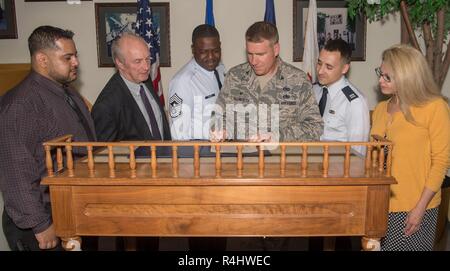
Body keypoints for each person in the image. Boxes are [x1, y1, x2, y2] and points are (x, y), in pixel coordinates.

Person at [0, 25, 96, 251]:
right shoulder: (21, 104)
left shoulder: (67, 91)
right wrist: (41, 224)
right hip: (42, 221)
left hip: (70, 209)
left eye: (75, 56)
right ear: (42, 59)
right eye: (68, 57)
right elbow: (16, 173)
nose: (76, 63)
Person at [371, 44, 449, 251]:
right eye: (381, 73)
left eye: (388, 77)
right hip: (379, 205)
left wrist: (420, 208)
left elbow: (440, 162)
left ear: (407, 77)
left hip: (414, 207)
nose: (380, 80)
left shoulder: (434, 108)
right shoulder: (380, 109)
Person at [210, 21, 323, 143]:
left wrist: (277, 136)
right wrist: (222, 131)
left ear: (276, 49)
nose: (254, 61)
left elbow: (314, 127)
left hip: (281, 158)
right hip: (241, 158)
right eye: (250, 54)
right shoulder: (235, 76)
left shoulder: (298, 80)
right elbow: (218, 117)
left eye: (260, 54)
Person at [91, 32, 171, 142]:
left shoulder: (144, 79)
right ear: (120, 63)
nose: (146, 67)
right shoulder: (106, 106)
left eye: (147, 59)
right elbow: (105, 154)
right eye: (137, 61)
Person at [313, 39, 369, 156]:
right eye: (319, 63)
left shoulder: (355, 102)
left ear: (344, 69)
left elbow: (358, 152)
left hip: (337, 169)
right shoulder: (315, 90)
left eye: (329, 67)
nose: (320, 71)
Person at [169, 24, 224, 140]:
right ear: (193, 49)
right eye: (204, 52)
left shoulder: (221, 70)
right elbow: (179, 131)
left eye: (215, 51)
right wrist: (213, 134)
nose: (211, 57)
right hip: (198, 152)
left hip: (221, 148)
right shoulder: (182, 82)